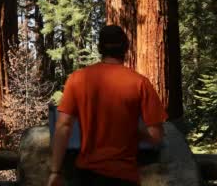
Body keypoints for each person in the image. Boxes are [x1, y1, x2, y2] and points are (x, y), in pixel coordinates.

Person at [48, 25, 168, 186]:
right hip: (125, 176)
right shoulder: (140, 83)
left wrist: (55, 171)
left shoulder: (77, 79)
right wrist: (135, 127)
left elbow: (63, 126)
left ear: (100, 48)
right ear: (126, 48)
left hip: (87, 176)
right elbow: (156, 137)